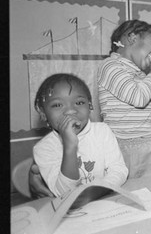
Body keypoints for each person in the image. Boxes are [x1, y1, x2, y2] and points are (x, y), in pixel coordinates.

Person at [32, 73, 128, 205]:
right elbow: (65, 193)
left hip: (105, 200)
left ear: (90, 106)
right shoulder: (43, 148)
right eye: (57, 105)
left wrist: (98, 191)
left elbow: (119, 170)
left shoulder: (102, 131)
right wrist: (69, 146)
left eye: (79, 102)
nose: (71, 111)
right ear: (42, 112)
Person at [97, 20, 151, 178]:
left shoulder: (139, 74)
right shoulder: (110, 66)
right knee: (124, 196)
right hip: (122, 145)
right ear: (132, 38)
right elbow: (138, 97)